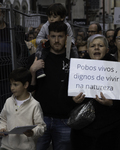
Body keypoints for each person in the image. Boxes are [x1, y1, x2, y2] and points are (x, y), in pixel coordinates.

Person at [27, 21, 74, 150]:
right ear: (48, 37)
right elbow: (29, 90)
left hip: (65, 119)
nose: (57, 40)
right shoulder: (37, 59)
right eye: (53, 36)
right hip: (41, 118)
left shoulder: (74, 60)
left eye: (60, 36)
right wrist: (32, 71)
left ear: (66, 38)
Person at [0, 67, 46, 150]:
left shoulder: (34, 105)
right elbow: (3, 119)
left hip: (26, 147)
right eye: (11, 84)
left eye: (15, 84)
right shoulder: (8, 101)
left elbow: (41, 127)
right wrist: (2, 128)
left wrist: (32, 132)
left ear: (26, 85)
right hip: (7, 147)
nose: (12, 88)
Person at [35, 3, 78, 78]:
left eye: (54, 17)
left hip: (64, 44)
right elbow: (38, 39)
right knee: (40, 48)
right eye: (49, 16)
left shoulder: (67, 26)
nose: (51, 19)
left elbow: (71, 38)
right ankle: (39, 69)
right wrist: (42, 41)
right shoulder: (45, 26)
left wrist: (69, 43)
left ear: (62, 18)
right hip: (48, 44)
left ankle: (76, 65)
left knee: (74, 49)